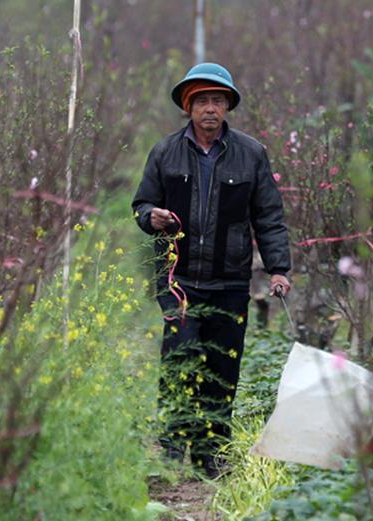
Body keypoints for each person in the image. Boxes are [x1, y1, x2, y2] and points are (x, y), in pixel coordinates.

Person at [131, 62, 292, 478]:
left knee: (223, 367)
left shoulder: (251, 153)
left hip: (231, 282)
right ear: (189, 106)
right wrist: (152, 217)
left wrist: (278, 269)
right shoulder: (165, 152)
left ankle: (211, 454)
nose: (209, 109)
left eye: (217, 101)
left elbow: (269, 217)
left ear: (227, 107)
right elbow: (141, 205)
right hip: (178, 279)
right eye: (202, 100)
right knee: (180, 361)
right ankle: (170, 452)